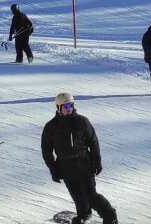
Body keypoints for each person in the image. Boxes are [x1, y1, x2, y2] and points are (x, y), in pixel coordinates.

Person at [41, 93, 119, 224]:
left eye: (71, 105)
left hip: (83, 164)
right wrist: (53, 169)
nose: (69, 108)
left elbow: (93, 142)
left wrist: (97, 162)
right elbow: (46, 150)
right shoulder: (51, 126)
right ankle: (84, 214)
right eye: (66, 106)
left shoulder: (81, 121)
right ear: (58, 107)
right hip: (65, 167)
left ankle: (110, 215)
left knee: (91, 196)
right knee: (77, 196)